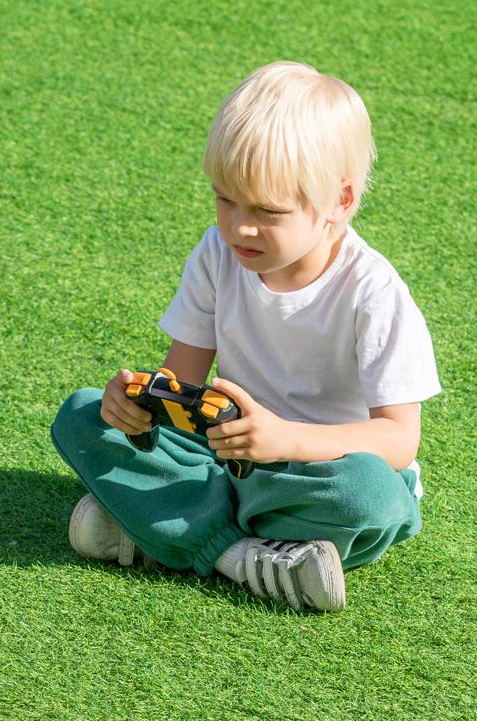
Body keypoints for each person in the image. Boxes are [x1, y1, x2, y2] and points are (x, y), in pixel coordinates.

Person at [50, 61, 440, 612]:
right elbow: (181, 380)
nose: (239, 227)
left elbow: (399, 441)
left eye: (267, 211)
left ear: (340, 202)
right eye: (225, 200)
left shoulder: (373, 292)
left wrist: (284, 440)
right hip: (225, 450)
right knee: (83, 415)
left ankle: (164, 526)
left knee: (371, 497)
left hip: (316, 470)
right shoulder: (217, 254)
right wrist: (137, 408)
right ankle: (244, 557)